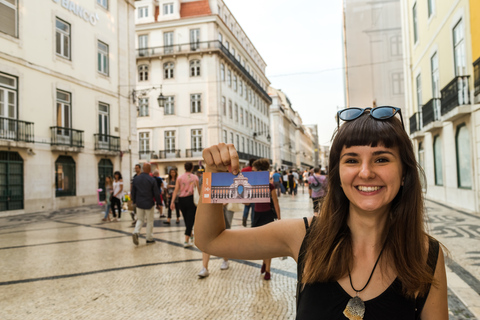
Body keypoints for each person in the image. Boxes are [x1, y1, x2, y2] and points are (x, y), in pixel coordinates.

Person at [195, 106, 448, 319]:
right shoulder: (303, 235)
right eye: (351, 160)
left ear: (404, 173)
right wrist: (213, 176)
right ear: (337, 175)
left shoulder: (426, 254)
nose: (366, 172)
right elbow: (210, 240)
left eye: (381, 159)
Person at [251, 158, 281, 280]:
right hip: (257, 215)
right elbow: (246, 203)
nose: (252, 173)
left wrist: (279, 219)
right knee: (260, 244)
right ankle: (264, 262)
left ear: (260, 171)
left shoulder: (270, 186)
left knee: (268, 244)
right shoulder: (252, 185)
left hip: (267, 215)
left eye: (254, 171)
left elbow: (276, 202)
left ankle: (267, 269)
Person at [171, 162, 200, 248]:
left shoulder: (179, 178)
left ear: (184, 168)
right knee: (190, 220)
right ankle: (186, 240)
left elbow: (176, 190)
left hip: (181, 200)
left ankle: (190, 235)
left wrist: (172, 201)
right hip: (191, 199)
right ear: (191, 168)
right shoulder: (195, 178)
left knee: (187, 219)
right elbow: (198, 190)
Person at [131, 163, 161, 246]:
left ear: (143, 169)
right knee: (149, 221)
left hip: (139, 202)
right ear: (149, 169)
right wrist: (159, 203)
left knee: (140, 219)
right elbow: (156, 193)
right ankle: (149, 238)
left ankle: (136, 232)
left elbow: (133, 191)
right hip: (149, 203)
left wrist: (133, 201)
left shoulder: (136, 179)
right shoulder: (151, 180)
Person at [241, 158, 256, 227]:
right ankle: (253, 222)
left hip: (246, 190)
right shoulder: (255, 171)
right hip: (253, 191)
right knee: (253, 208)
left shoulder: (244, 170)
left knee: (246, 206)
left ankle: (244, 218)